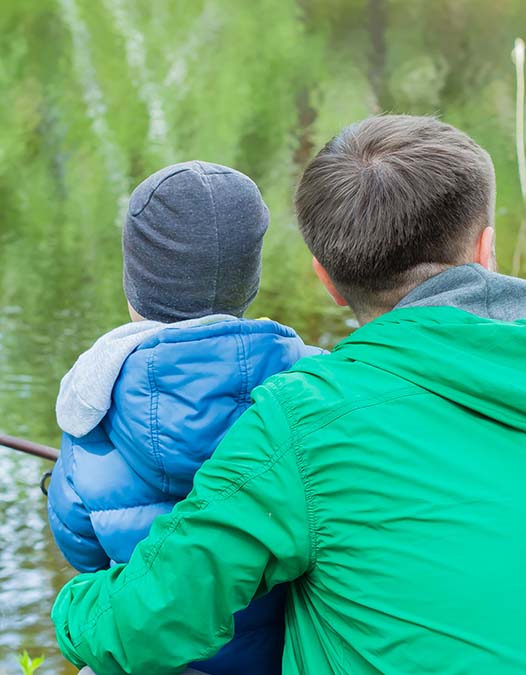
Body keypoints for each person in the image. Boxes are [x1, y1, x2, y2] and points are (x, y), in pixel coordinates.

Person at [50, 116, 526, 675]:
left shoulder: (307, 417)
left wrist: (72, 608)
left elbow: (150, 617)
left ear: (326, 279)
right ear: (487, 248)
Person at [46, 160, 316, 675]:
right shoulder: (311, 390)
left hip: (147, 651)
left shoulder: (92, 407)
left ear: (134, 289)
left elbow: (78, 543)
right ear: (249, 281)